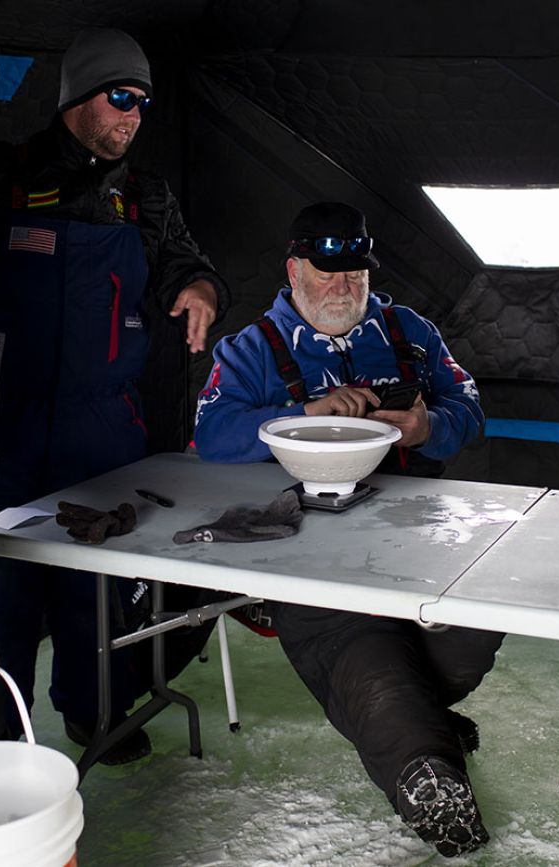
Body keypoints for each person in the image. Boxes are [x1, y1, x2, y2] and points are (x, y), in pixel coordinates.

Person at [0, 27, 229, 762]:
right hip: (5, 431)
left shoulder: (144, 196)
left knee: (98, 594)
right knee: (3, 594)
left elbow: (192, 262)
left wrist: (200, 289)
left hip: (103, 432)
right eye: (122, 97)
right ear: (79, 97)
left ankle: (97, 715)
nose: (134, 116)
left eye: (144, 103)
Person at [192, 202, 498, 858]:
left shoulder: (409, 330)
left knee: (475, 622)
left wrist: (428, 426)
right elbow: (210, 434)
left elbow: (468, 404)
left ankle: (412, 716)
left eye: (354, 273)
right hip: (306, 544)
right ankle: (427, 776)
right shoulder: (251, 349)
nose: (342, 287)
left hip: (420, 532)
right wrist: (302, 411)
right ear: (293, 269)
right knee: (355, 640)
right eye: (327, 273)